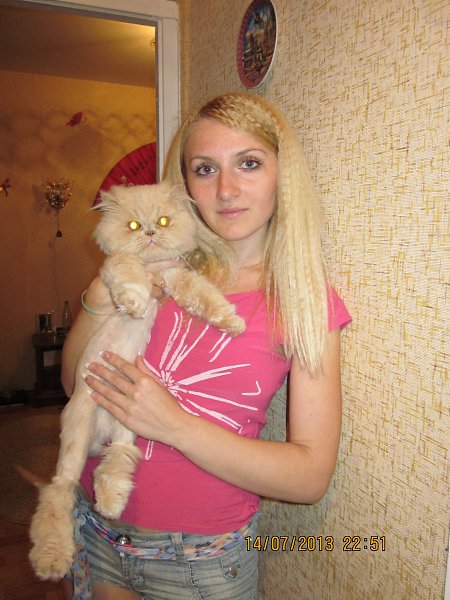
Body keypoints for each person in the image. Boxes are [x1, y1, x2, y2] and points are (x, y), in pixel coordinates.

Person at [61, 92, 351, 600]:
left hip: (197, 562)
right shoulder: (159, 265)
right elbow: (73, 385)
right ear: (185, 184)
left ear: (282, 173)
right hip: (96, 531)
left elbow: (309, 478)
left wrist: (173, 424)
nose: (226, 189)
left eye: (249, 163)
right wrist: (97, 298)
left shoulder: (303, 300)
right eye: (205, 169)